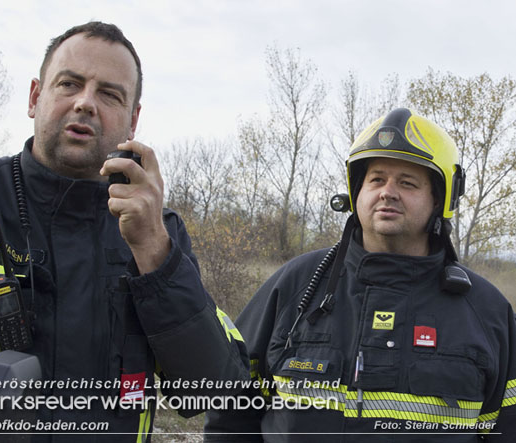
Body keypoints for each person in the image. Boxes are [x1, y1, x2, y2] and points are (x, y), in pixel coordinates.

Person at [0, 21, 248, 441]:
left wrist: (153, 251)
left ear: (133, 120)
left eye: (109, 94)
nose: (86, 103)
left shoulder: (160, 232)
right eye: (70, 84)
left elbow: (216, 393)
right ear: (36, 97)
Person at [204, 108, 516, 442]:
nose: (387, 192)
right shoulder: (296, 285)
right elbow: (231, 413)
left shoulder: (486, 312)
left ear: (441, 199)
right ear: (357, 191)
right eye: (376, 179)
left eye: (408, 183)